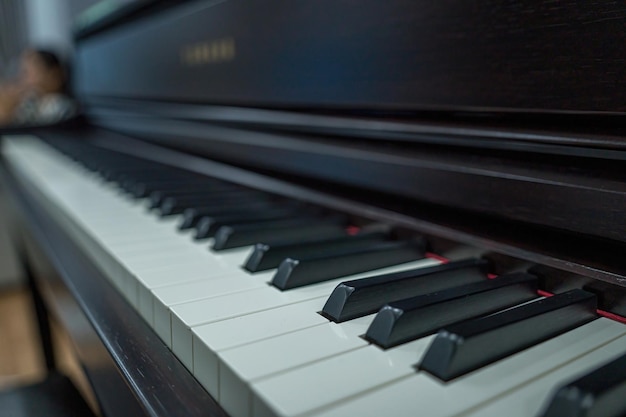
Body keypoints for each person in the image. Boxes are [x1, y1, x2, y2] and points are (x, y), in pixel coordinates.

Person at [0, 49, 75, 126]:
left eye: (27, 73)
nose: (22, 79)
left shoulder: (58, 106)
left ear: (54, 75)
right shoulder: (32, 104)